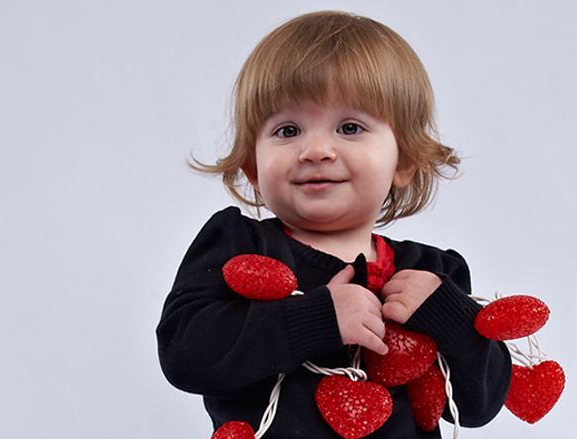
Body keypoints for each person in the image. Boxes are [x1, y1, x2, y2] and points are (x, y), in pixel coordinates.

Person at [156, 10, 512, 438]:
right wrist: (316, 318)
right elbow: (185, 356)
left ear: (405, 160)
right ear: (252, 165)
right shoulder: (240, 246)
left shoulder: (436, 274)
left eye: (349, 127)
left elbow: (479, 405)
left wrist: (448, 316)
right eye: (288, 130)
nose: (316, 149)